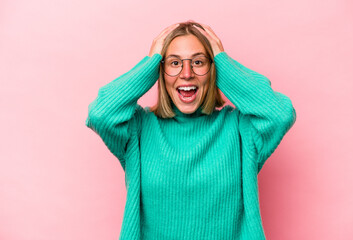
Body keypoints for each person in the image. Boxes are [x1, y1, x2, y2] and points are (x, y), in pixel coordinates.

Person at [85, 21, 296, 240]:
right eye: (174, 63)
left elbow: (280, 114)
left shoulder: (241, 129)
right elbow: (100, 114)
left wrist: (223, 63)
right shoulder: (138, 129)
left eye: (198, 62)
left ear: (213, 69)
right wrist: (150, 65)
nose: (187, 73)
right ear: (161, 72)